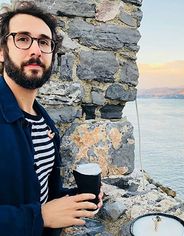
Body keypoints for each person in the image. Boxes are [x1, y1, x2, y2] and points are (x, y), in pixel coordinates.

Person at [0, 1, 102, 236]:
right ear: (2, 51)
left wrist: (76, 199)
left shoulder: (45, 123)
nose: (35, 50)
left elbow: (42, 194)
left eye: (44, 42)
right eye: (23, 39)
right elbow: (41, 212)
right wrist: (41, 217)